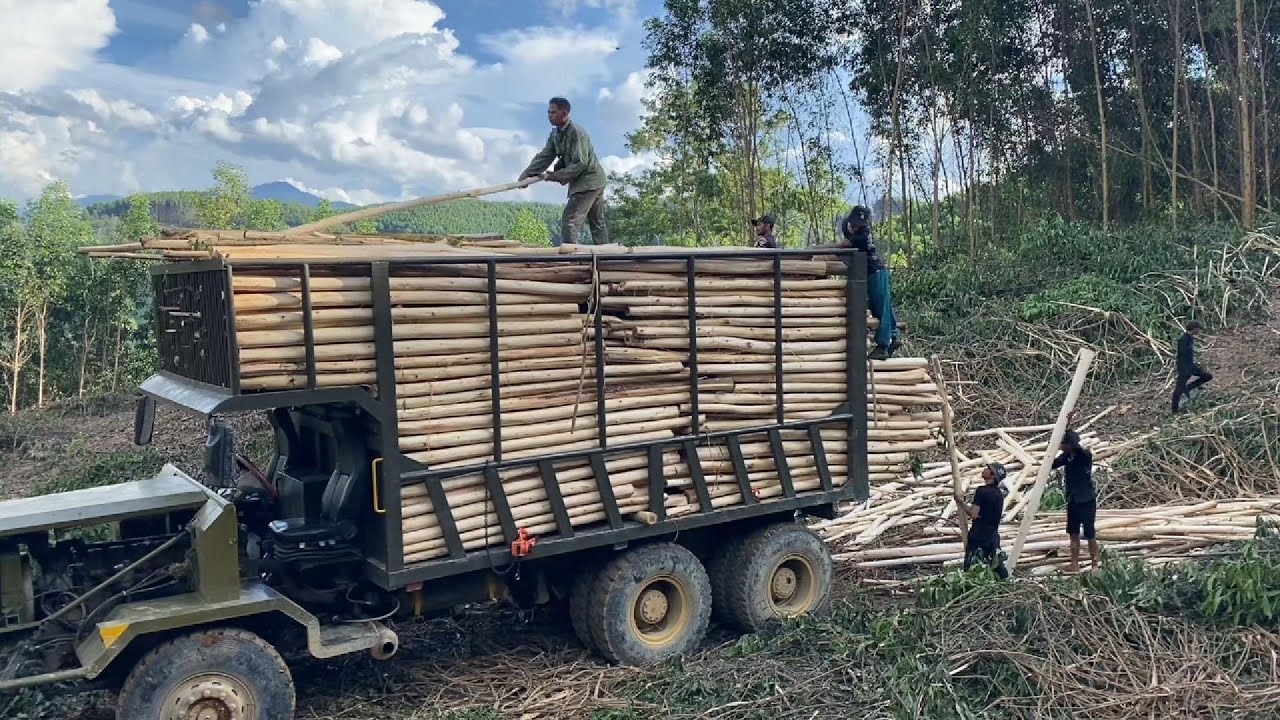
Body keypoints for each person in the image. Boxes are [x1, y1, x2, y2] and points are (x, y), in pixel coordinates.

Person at [518, 97, 608, 245]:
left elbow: (580, 163)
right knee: (596, 222)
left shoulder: (576, 132)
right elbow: (545, 156)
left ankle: (573, 259)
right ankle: (606, 256)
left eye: (553, 112)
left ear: (564, 113)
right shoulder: (556, 135)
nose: (549, 116)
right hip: (589, 182)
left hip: (589, 181)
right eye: (548, 112)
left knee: (570, 221)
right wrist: (528, 173)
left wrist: (554, 176)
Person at [840, 206, 900, 360]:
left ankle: (883, 345)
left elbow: (845, 244)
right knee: (882, 305)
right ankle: (894, 335)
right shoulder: (859, 234)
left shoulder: (861, 237)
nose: (853, 226)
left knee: (881, 308)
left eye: (856, 224)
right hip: (876, 273)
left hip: (875, 273)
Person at [1053, 429, 1098, 572]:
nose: (1061, 446)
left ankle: (1094, 564)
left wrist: (1072, 444)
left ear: (1070, 444)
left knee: (1090, 533)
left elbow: (1080, 451)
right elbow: (1053, 464)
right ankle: (1074, 563)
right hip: (1073, 499)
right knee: (1073, 533)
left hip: (1086, 499)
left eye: (1063, 444)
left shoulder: (1083, 456)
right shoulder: (1067, 457)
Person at [963, 462, 1010, 579]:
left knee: (971, 566)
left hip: (978, 535)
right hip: (992, 536)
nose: (984, 470)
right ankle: (1007, 584)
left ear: (992, 475)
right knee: (996, 565)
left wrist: (960, 501)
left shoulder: (982, 491)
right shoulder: (999, 494)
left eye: (988, 469)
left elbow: (974, 514)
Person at [1172, 319, 1212, 413]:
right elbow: (1181, 355)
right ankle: (1174, 410)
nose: (1199, 331)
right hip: (1184, 368)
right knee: (1178, 389)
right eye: (1198, 329)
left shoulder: (1190, 338)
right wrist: (1184, 369)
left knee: (1207, 376)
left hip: (1191, 366)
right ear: (1194, 329)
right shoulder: (1183, 339)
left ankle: (1188, 388)